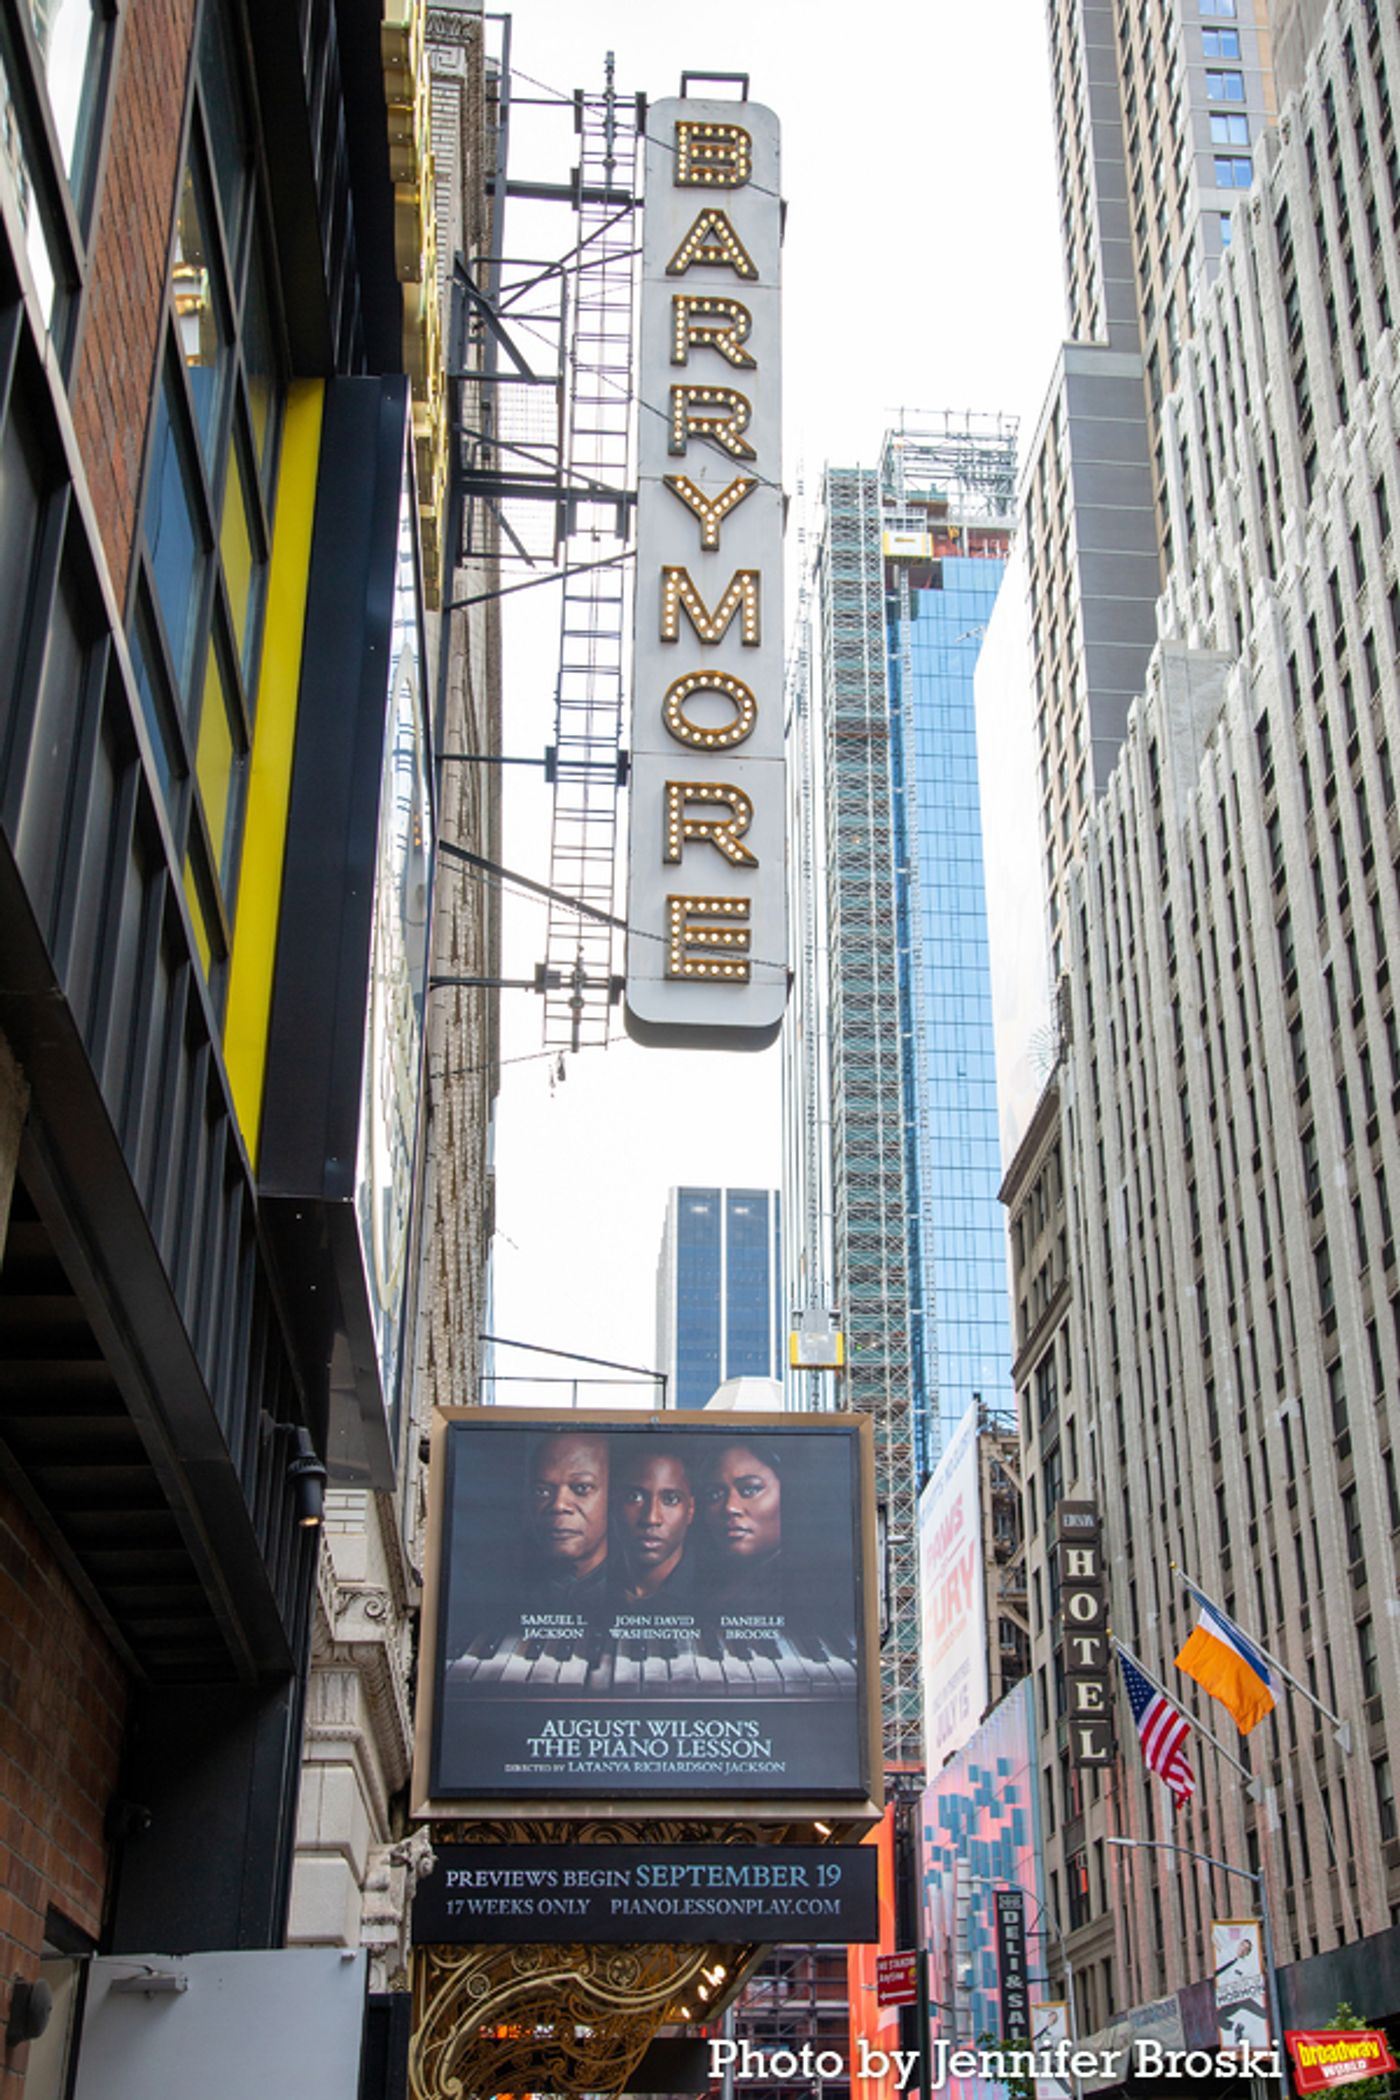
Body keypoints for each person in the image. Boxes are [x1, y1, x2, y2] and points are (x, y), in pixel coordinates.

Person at [522, 1430, 610, 1610]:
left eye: (582, 1488)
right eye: (543, 1491)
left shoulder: (641, 1597)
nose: (558, 1505)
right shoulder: (498, 1599)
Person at [698, 1438, 783, 1607]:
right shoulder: (700, 1596)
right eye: (714, 1495)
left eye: (750, 1489)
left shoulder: (815, 1594)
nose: (730, 1507)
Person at [613, 1443, 698, 1606]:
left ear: (691, 1509)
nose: (651, 1518)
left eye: (670, 1499)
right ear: (614, 1504)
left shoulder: (714, 1595)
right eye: (634, 1497)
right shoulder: (592, 1590)